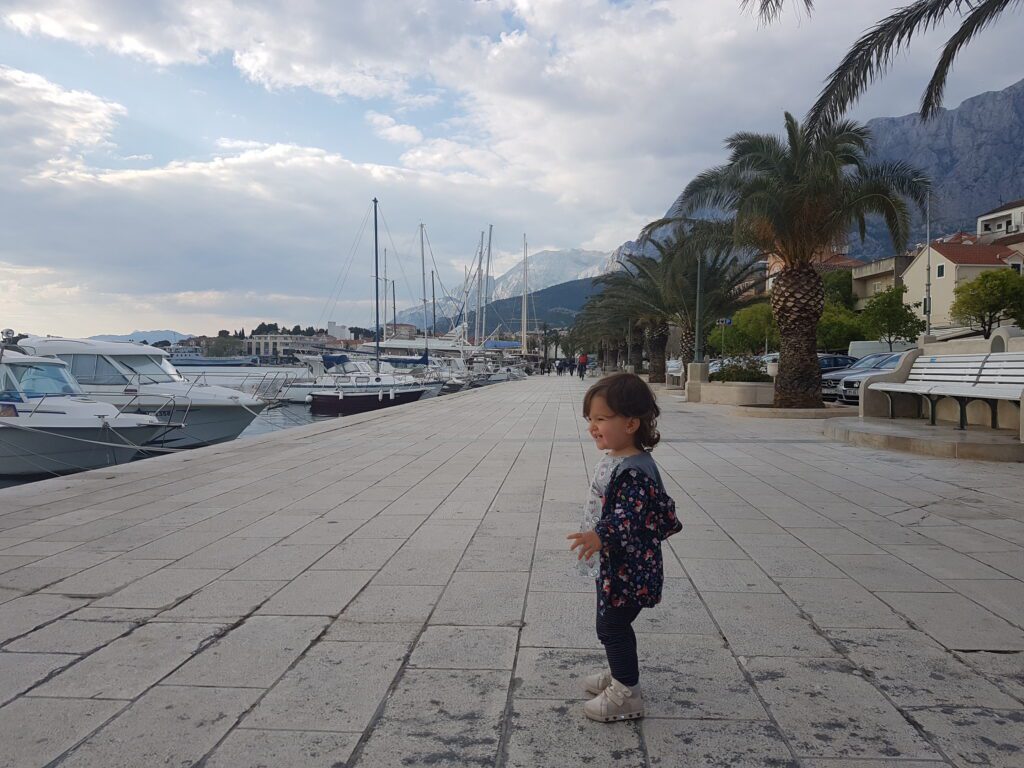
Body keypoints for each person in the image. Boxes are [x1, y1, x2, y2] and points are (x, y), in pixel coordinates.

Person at [567, 373, 681, 723]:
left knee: (612, 627)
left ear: (631, 424)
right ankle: (620, 673)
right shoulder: (621, 458)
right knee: (612, 624)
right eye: (590, 420)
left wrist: (600, 535)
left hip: (629, 569)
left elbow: (628, 517)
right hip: (619, 564)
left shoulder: (633, 472)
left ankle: (627, 693)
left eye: (601, 419)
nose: (592, 428)